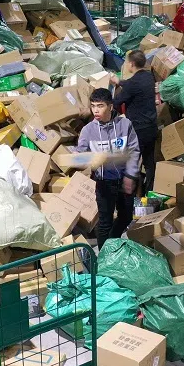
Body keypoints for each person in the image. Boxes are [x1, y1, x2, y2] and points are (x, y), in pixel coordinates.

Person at [76, 88, 141, 249]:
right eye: (93, 106)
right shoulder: (88, 131)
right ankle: (105, 257)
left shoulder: (125, 125)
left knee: (126, 217)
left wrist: (131, 176)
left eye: (100, 106)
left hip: (125, 180)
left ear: (110, 107)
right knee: (105, 222)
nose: (96, 110)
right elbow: (81, 155)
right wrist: (85, 160)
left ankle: (112, 243)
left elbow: (134, 151)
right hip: (104, 182)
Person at [110, 49, 157, 195]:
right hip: (151, 127)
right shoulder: (149, 77)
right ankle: (148, 192)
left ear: (131, 64)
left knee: (132, 162)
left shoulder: (132, 84)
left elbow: (118, 100)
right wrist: (120, 82)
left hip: (138, 129)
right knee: (149, 162)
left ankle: (131, 196)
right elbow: (132, 85)